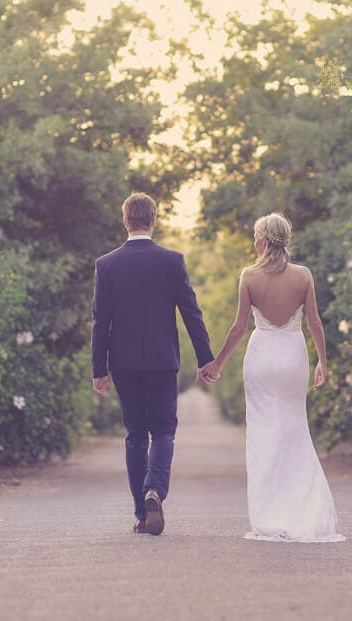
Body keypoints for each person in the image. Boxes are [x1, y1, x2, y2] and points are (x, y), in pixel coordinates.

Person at [198, 212, 345, 542]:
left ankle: (269, 513)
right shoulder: (303, 275)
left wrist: (217, 363)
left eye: (255, 236)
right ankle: (302, 507)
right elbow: (314, 323)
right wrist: (323, 362)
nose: (254, 242)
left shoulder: (249, 276)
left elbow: (239, 327)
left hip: (262, 357)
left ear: (263, 240)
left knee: (264, 433)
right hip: (293, 357)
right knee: (294, 428)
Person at [91, 192, 215, 536]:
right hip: (162, 361)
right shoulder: (172, 261)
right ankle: (154, 491)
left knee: (135, 434)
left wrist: (98, 369)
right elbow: (191, 313)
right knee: (163, 430)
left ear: (125, 220)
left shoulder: (107, 264)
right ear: (154, 220)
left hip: (124, 363)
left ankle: (142, 515)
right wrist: (206, 359)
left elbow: (100, 322)